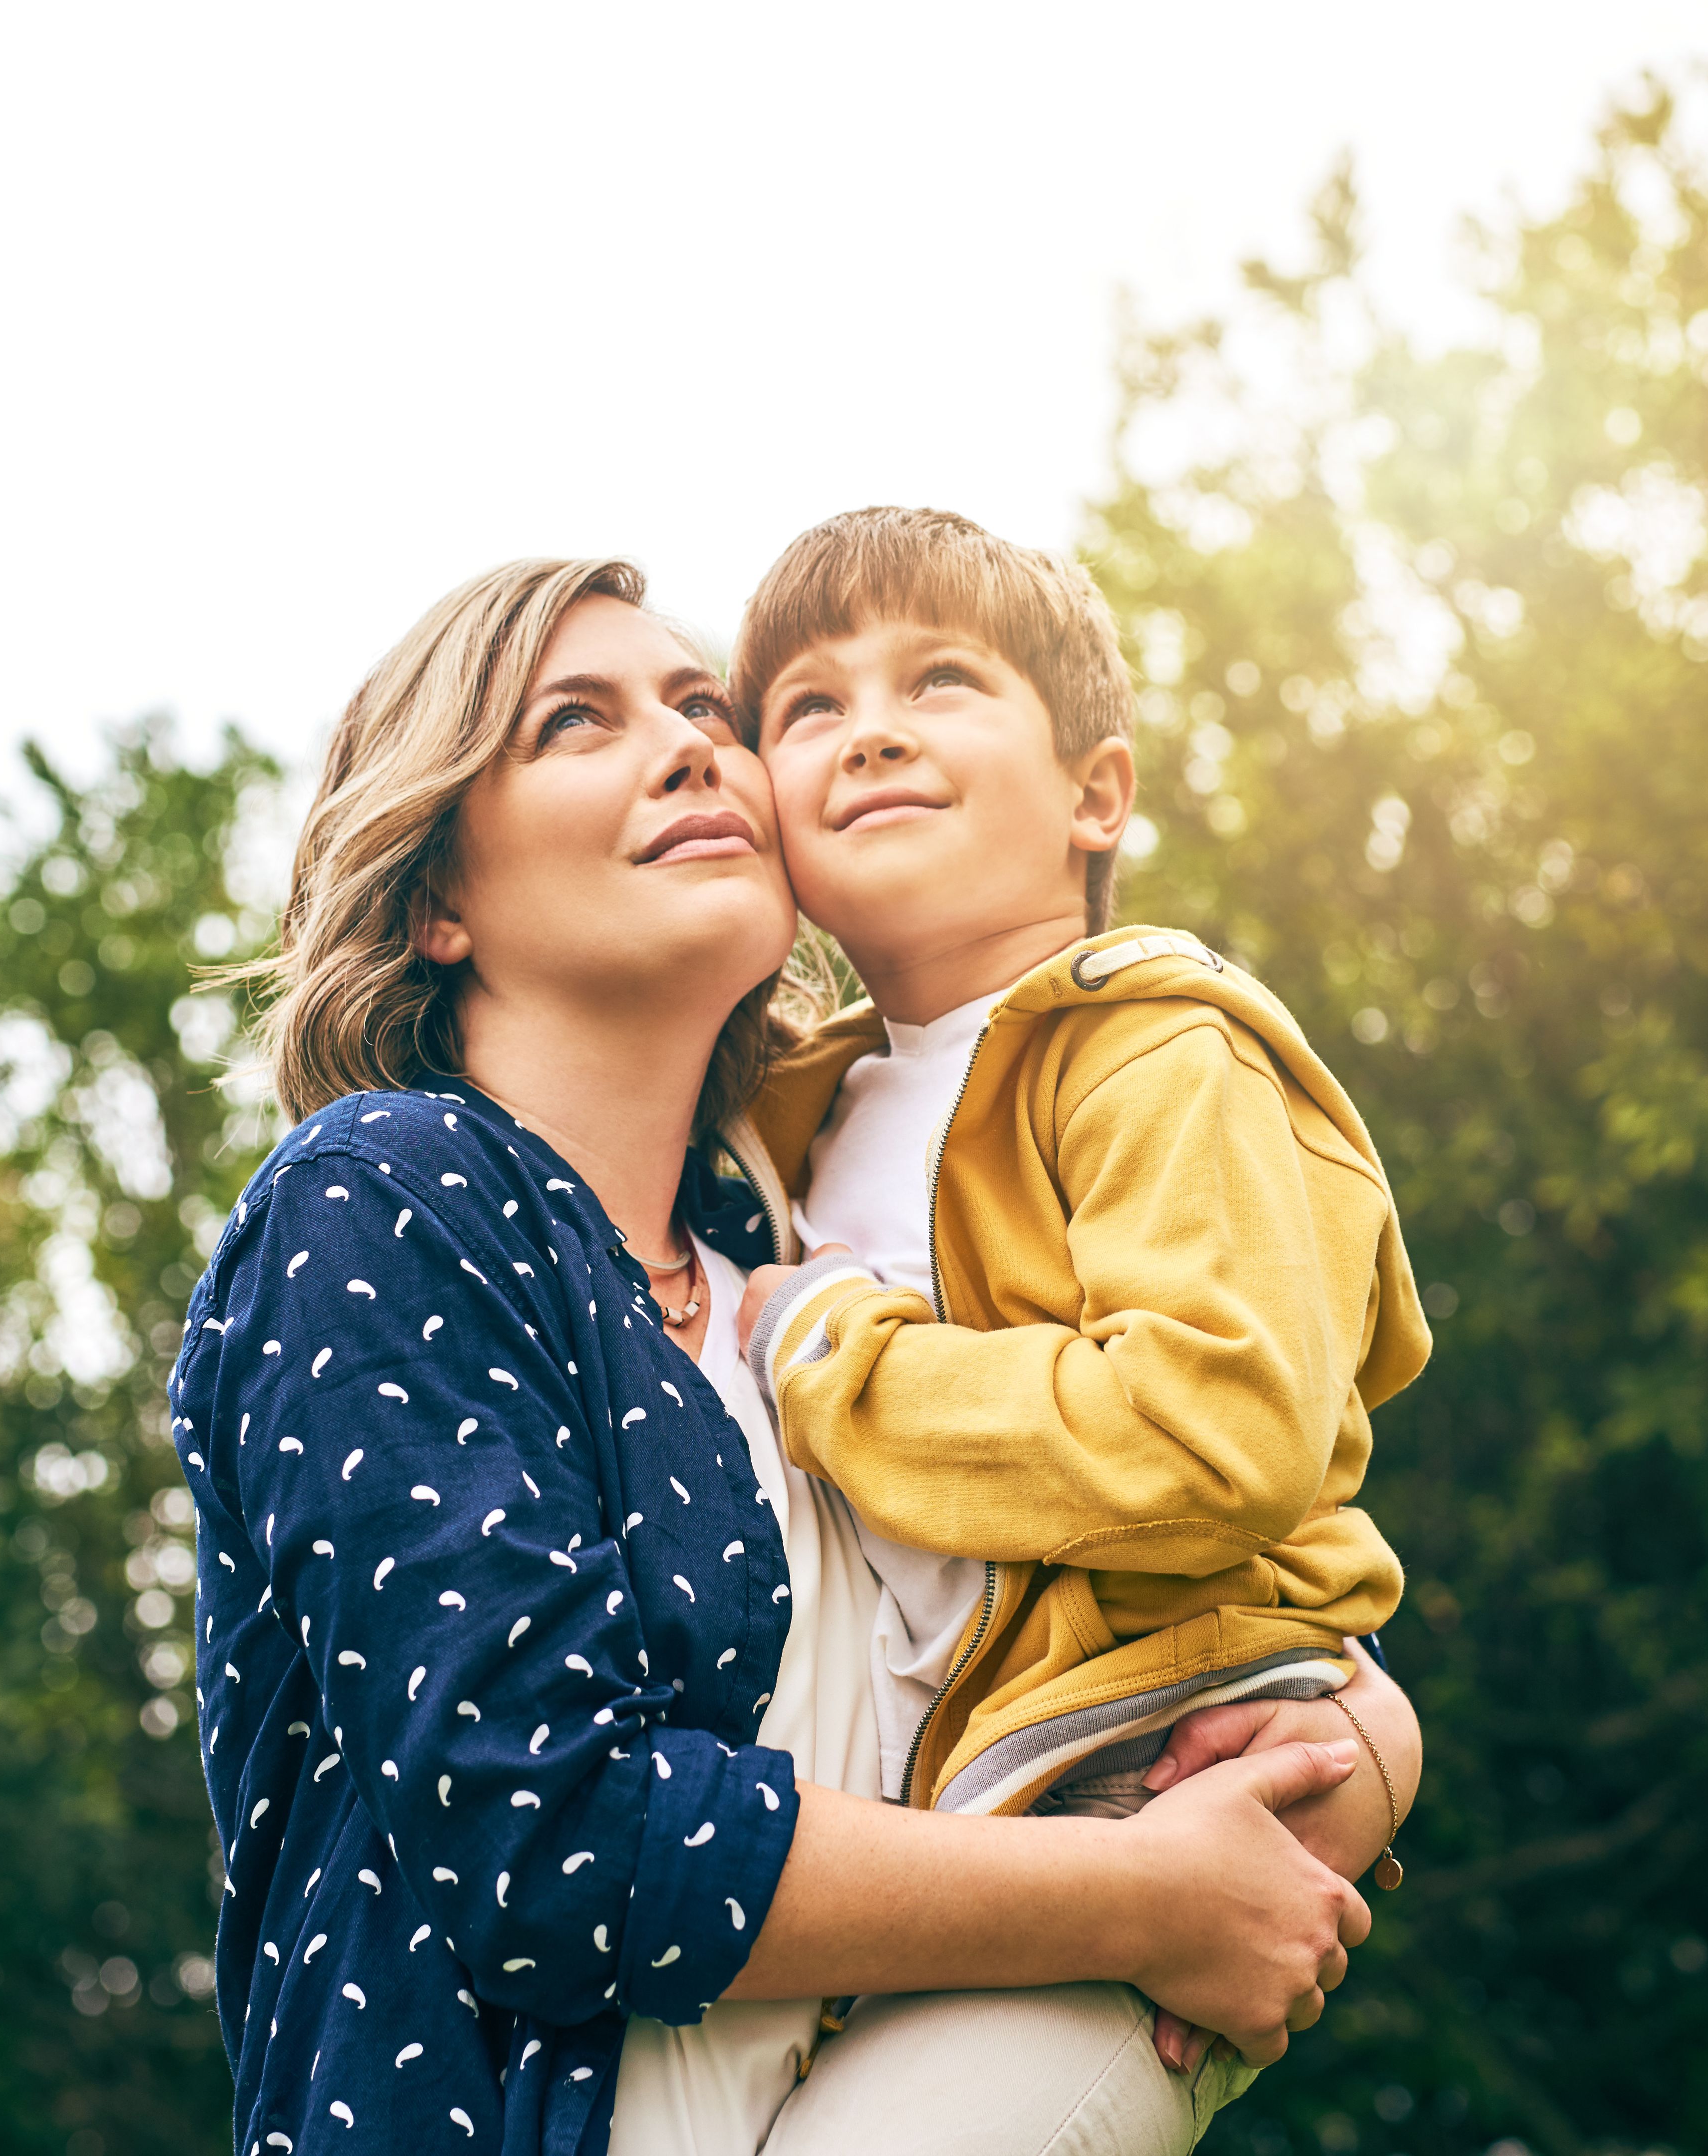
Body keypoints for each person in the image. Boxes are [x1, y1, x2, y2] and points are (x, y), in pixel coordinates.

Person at [177, 556, 1382, 2156]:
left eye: (703, 710)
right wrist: (1140, 1896)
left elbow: (1112, 1597)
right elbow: (548, 1837)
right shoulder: (385, 1201)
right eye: (575, 725)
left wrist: (1356, 1725)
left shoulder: (803, 1276)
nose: (689, 748)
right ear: (438, 898)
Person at [720, 507, 1434, 2122]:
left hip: (1166, 1762)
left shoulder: (1157, 1053)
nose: (872, 727)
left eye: (943, 679)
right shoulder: (791, 1114)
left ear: (1094, 795)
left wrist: (837, 1360)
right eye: (809, 707)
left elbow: (1217, 1430)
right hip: (951, 1822)